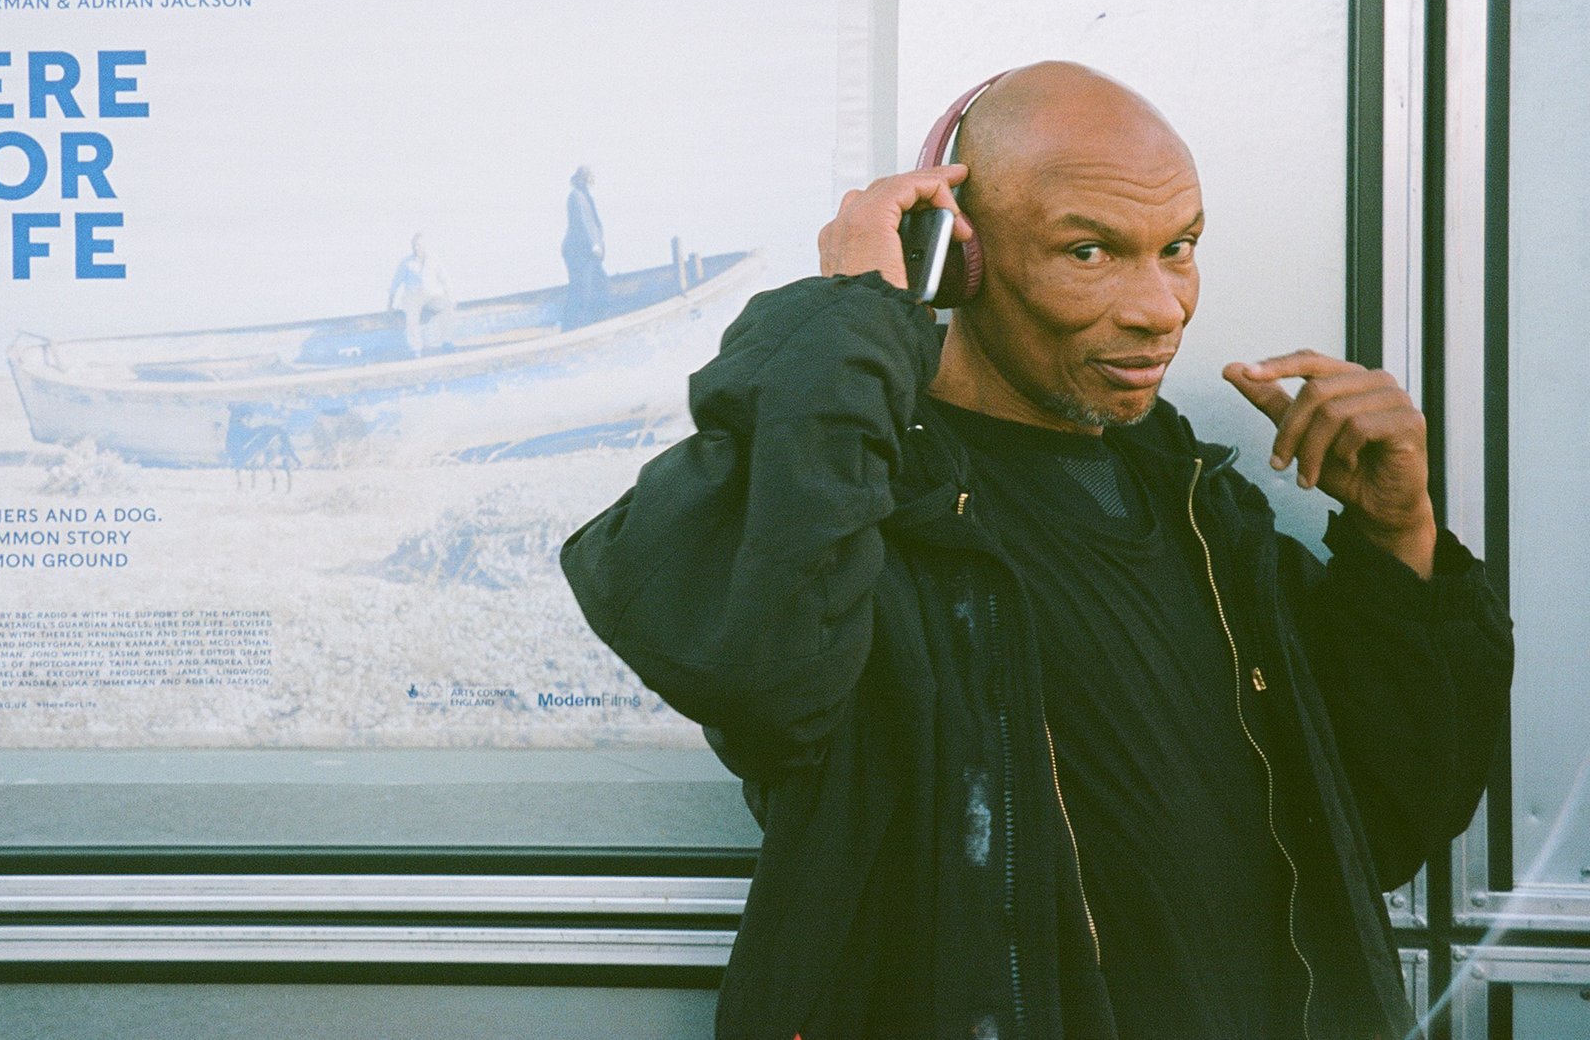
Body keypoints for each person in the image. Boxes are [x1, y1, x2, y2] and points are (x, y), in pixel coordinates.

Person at [560, 62, 1513, 1040]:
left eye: (1178, 248)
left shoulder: (1203, 516)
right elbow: (762, 678)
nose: (1160, 308)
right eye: (1089, 251)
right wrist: (854, 306)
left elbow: (1385, 822)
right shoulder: (861, 506)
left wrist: (1398, 539)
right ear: (956, 260)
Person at [386, 233, 454, 355]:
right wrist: (389, 305)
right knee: (411, 314)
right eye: (414, 245)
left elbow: (445, 279)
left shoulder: (434, 260)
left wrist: (451, 297)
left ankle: (446, 341)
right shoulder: (406, 263)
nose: (416, 248)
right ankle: (415, 348)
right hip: (413, 296)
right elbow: (395, 284)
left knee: (447, 307)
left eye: (418, 245)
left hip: (431, 296)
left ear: (425, 246)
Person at [561, 164, 609, 329]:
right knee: (582, 291)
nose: (589, 182)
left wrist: (599, 244)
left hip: (589, 254)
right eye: (587, 179)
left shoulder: (585, 197)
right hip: (580, 253)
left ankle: (593, 322)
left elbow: (594, 224)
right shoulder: (576, 196)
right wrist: (593, 244)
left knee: (599, 285)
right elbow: (581, 222)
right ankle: (575, 327)